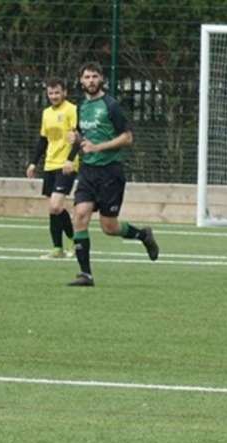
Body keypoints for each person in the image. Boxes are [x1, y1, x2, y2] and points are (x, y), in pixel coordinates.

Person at [66, 62, 158, 287]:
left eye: (94, 76)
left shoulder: (111, 105)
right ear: (81, 80)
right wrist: (74, 148)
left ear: (101, 79)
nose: (90, 81)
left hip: (110, 172)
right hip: (88, 171)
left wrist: (98, 147)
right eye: (86, 77)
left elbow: (127, 138)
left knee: (109, 227)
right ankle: (85, 275)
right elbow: (83, 137)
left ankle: (143, 236)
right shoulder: (81, 108)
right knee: (79, 215)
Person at [25, 77, 78, 258]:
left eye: (57, 92)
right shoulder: (46, 113)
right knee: (52, 208)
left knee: (56, 205)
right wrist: (33, 162)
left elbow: (78, 138)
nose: (54, 96)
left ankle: (74, 240)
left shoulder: (71, 110)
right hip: (50, 164)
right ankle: (57, 248)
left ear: (65, 92)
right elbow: (43, 140)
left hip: (66, 165)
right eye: (51, 93)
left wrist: (70, 159)